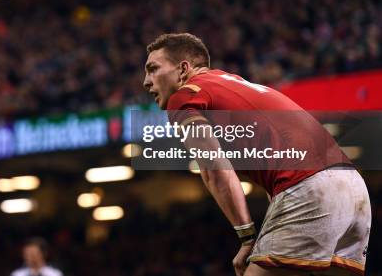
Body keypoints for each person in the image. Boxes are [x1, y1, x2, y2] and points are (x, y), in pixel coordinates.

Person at [142, 32, 371, 276]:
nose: (146, 81)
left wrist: (247, 237)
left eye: (153, 69)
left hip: (310, 187)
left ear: (183, 69)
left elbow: (214, 170)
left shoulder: (184, 96)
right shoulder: (231, 83)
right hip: (354, 189)